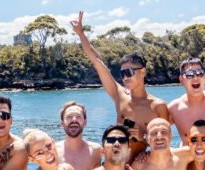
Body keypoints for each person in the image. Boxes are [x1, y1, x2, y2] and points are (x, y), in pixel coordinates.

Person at [71, 11, 169, 160]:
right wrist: (81, 34)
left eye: (129, 72)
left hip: (140, 165)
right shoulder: (120, 95)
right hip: (115, 163)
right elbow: (98, 62)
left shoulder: (158, 106)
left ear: (143, 72)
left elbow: (165, 142)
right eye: (122, 73)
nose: (125, 77)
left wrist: (142, 137)